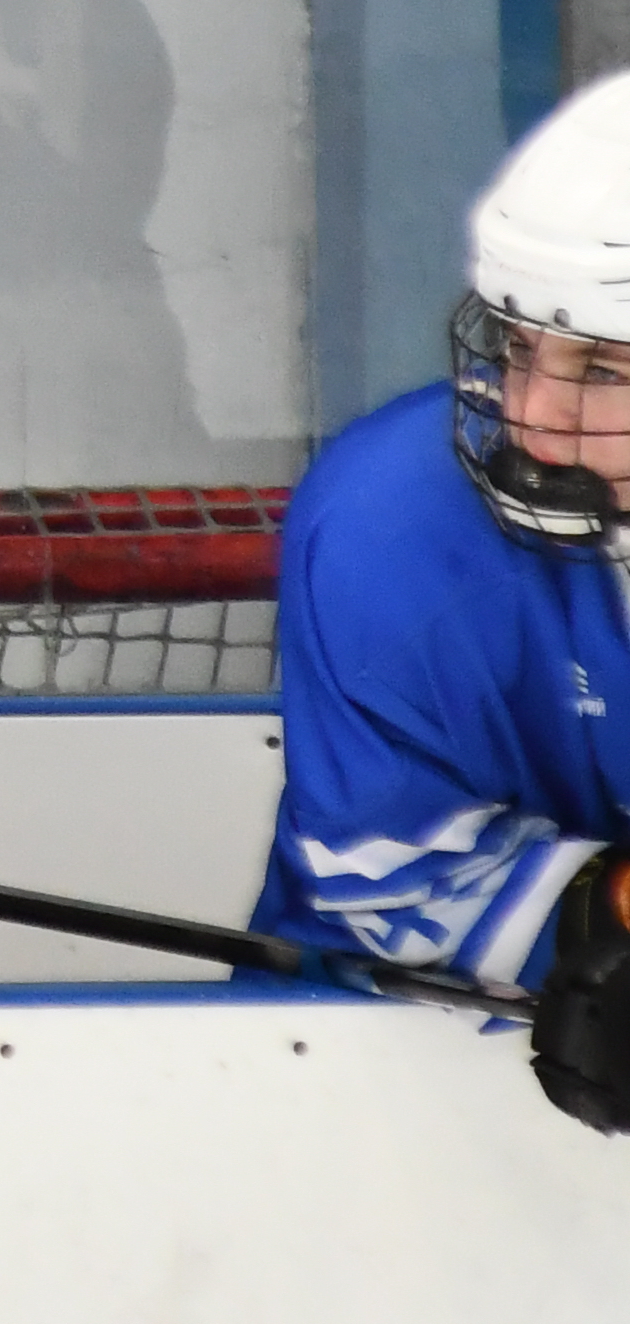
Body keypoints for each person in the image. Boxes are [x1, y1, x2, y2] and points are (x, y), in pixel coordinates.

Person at [258, 70, 630, 1125]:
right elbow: (389, 864)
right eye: (518, 347)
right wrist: (604, 915)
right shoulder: (390, 523)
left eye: (602, 367)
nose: (534, 419)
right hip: (359, 1092)